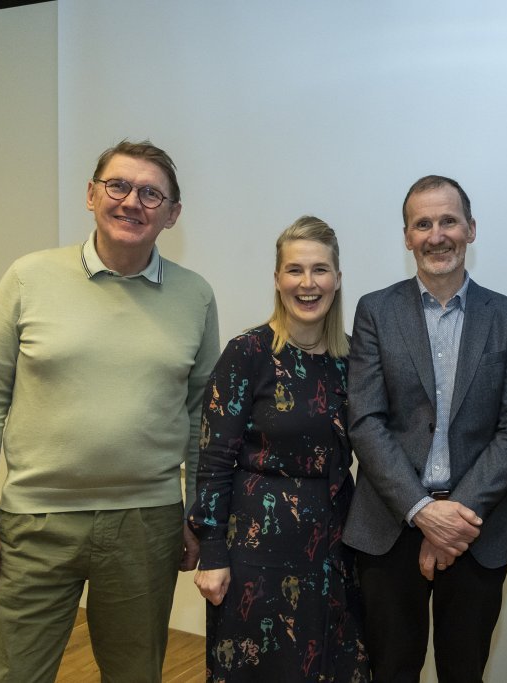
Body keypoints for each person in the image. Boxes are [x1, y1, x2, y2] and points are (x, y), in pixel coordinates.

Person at [0, 140, 219, 681]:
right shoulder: (28, 277)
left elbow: (203, 419)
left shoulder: (195, 296)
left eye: (151, 194)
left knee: (134, 674)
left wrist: (198, 514)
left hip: (147, 525)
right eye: (117, 186)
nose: (132, 201)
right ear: (91, 194)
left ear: (172, 214)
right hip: (35, 521)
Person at [343, 175, 507, 683]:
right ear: (407, 237)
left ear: (471, 229)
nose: (436, 235)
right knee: (390, 670)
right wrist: (423, 512)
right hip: (390, 525)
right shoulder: (375, 311)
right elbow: (365, 420)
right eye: (422, 224)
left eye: (448, 221)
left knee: (464, 671)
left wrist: (454, 520)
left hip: (477, 526)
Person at [187, 216, 370, 681]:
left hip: (335, 547)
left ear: (337, 279)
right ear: (276, 279)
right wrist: (212, 552)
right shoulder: (247, 353)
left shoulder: (353, 359)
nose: (308, 283)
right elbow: (214, 458)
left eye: (320, 270)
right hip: (257, 548)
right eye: (295, 270)